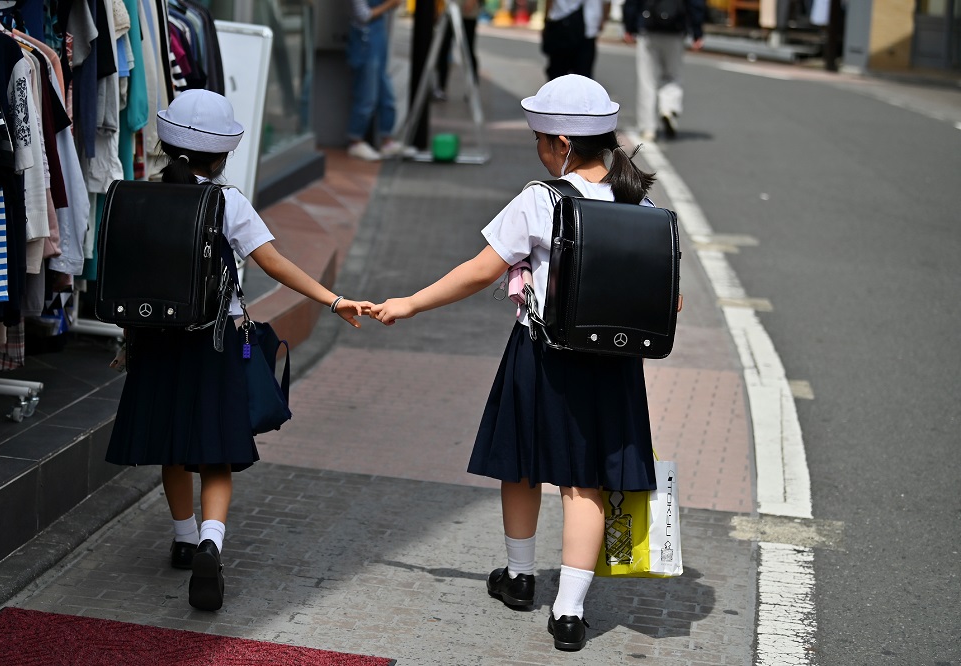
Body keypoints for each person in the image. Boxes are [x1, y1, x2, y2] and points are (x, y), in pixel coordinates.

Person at [370, 75, 672, 652]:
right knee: (584, 483)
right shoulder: (641, 204)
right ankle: (570, 612)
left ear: (561, 144)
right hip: (612, 365)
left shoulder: (542, 199)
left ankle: (519, 577)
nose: (535, 144)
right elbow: (667, 296)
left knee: (524, 464)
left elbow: (482, 269)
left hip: (544, 355)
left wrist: (410, 302)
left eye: (539, 135)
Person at [105, 89, 372, 612]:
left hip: (157, 339)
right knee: (215, 450)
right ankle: (211, 541)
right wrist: (333, 299)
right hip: (215, 339)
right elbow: (272, 263)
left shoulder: (142, 195)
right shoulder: (228, 202)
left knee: (173, 447)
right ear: (223, 154)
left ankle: (183, 540)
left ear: (165, 144)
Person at [622, 0, 706, 141]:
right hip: (676, 29)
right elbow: (696, 4)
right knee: (673, 75)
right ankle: (669, 108)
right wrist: (697, 32)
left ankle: (648, 128)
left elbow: (632, 2)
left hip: (649, 28)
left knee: (647, 80)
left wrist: (629, 27)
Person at [346, 0, 404, 161]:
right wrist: (390, 4)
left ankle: (387, 140)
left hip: (376, 38)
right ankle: (355, 140)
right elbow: (362, 15)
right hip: (364, 40)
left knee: (386, 92)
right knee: (366, 94)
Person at [541, 0, 610, 81]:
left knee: (558, 74)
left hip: (562, 25)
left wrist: (546, 21)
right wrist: (603, 20)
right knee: (583, 76)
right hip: (588, 28)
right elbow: (608, 3)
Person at [432, 0, 482, 101]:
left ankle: (472, 88)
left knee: (467, 53)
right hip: (449, 12)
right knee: (443, 50)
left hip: (467, 14)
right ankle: (440, 87)